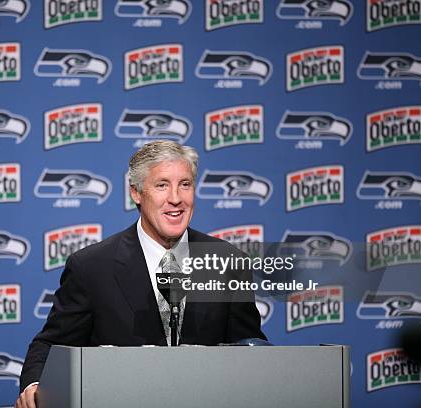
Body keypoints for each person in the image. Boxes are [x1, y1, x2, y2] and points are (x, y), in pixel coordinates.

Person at [16, 141, 265, 408]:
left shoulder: (227, 262)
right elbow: (51, 345)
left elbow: (247, 347)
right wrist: (35, 385)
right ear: (136, 192)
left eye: (185, 184)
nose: (176, 198)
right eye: (162, 185)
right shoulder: (92, 267)